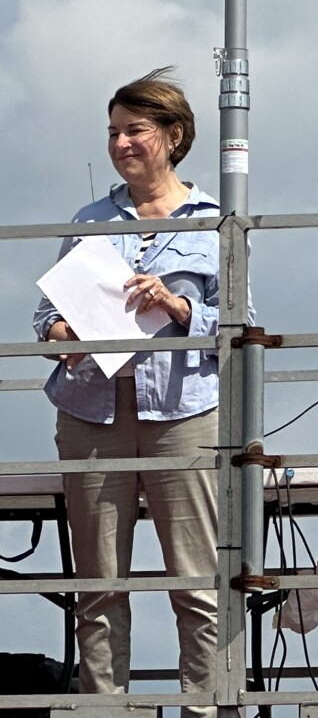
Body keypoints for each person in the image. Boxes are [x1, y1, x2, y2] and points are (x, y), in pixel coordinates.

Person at [33, 67, 251, 718]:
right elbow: (45, 316)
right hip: (91, 413)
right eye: (112, 132)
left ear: (173, 136)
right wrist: (63, 332)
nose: (120, 143)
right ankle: (105, 712)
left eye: (134, 130)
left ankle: (204, 711)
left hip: (184, 415)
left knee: (197, 584)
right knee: (99, 587)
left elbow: (241, 321)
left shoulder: (213, 221)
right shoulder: (90, 219)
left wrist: (179, 307)